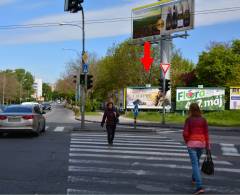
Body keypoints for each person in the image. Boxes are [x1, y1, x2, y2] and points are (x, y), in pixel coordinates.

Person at [183, 103, 210, 195]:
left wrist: (188, 142)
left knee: (195, 164)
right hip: (201, 144)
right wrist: (207, 146)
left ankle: (199, 187)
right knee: (197, 162)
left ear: (190, 110)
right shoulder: (203, 120)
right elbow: (206, 134)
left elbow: (185, 133)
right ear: (199, 109)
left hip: (192, 144)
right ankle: (194, 178)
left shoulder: (188, 120)